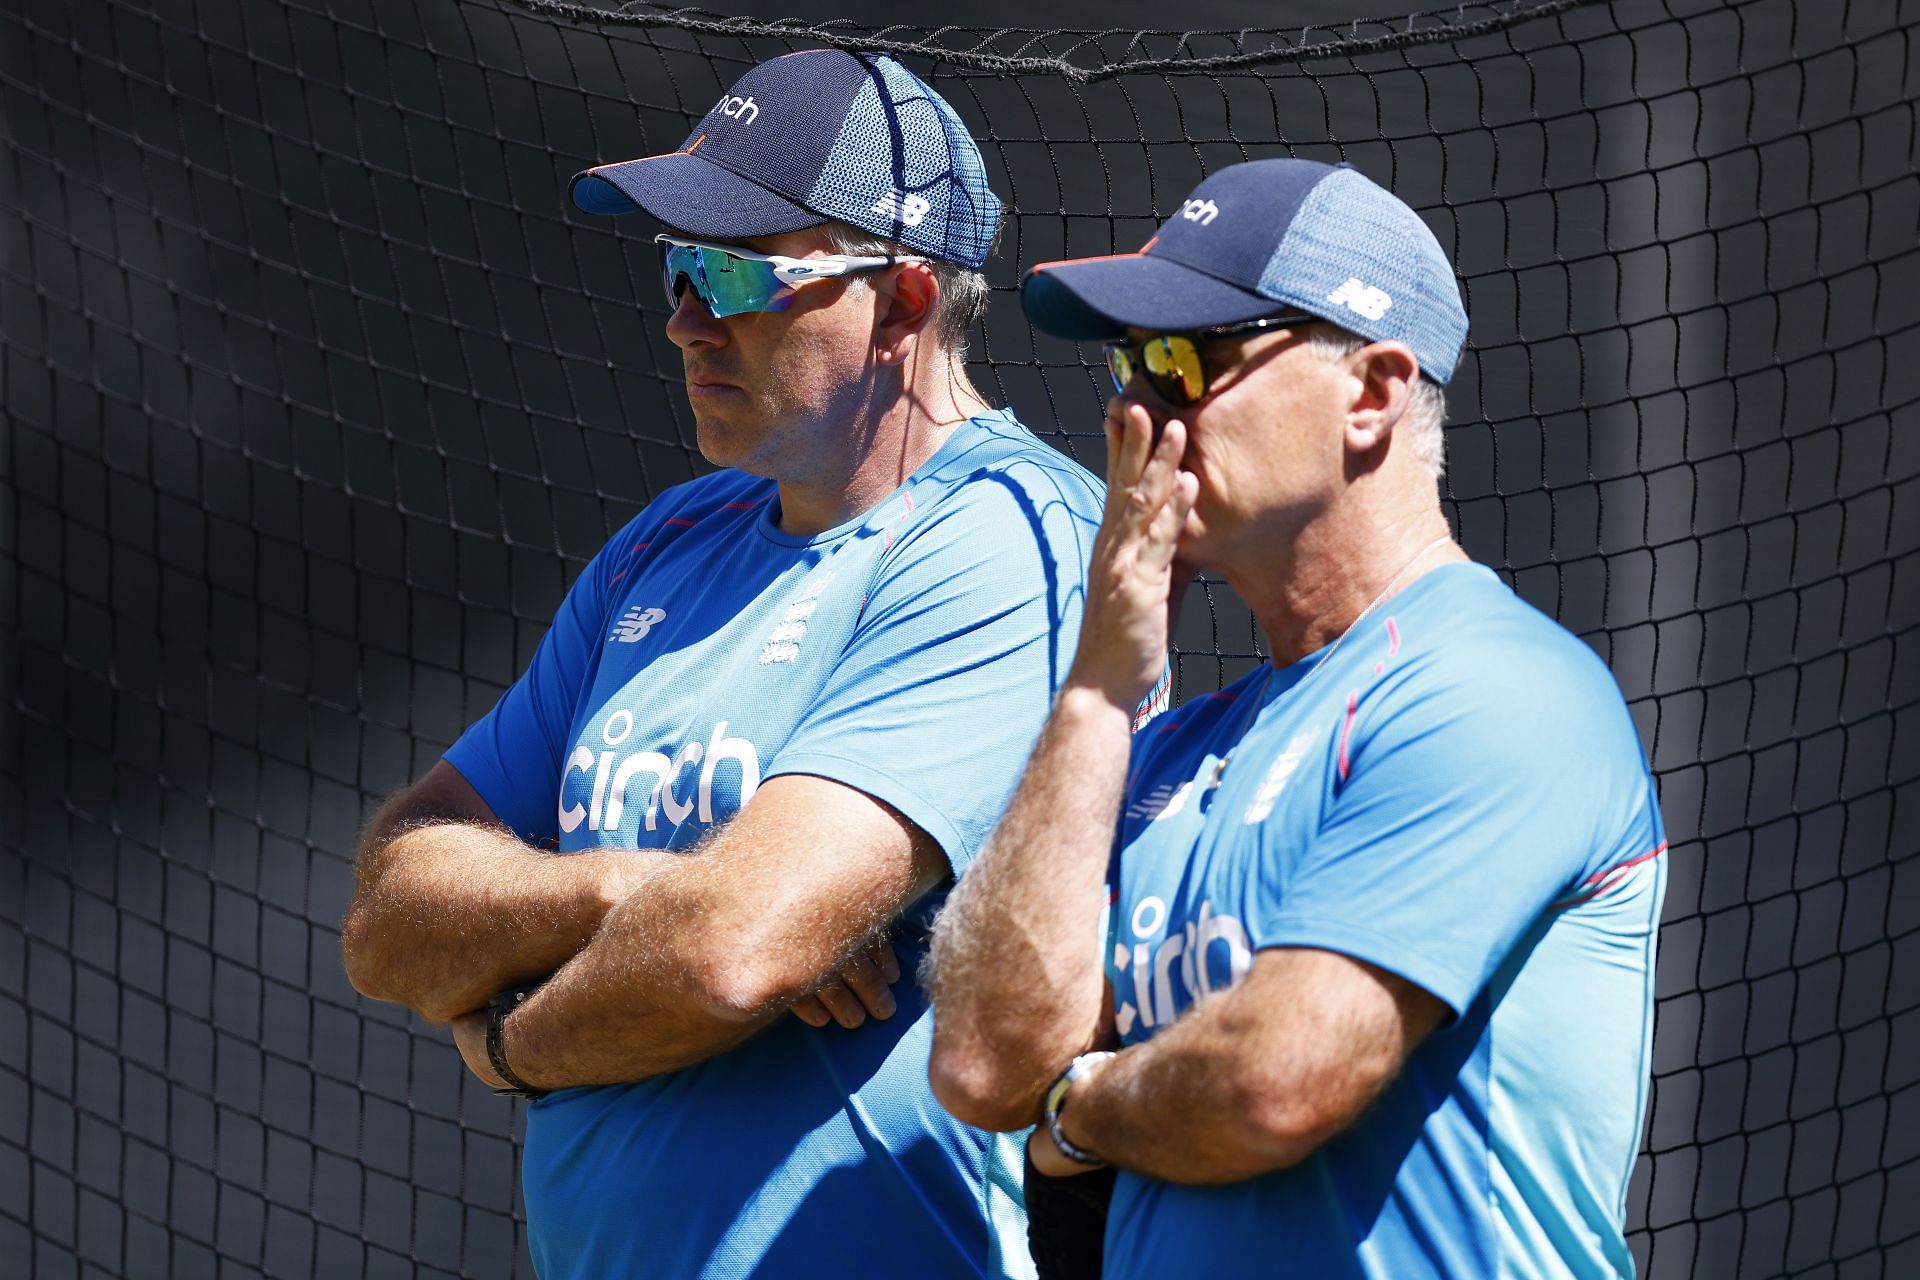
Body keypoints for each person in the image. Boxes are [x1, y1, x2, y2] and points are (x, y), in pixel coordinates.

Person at [342, 49, 1121, 1280]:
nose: (684, 317)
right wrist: (615, 889)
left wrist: (512, 1044)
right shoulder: (667, 540)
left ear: (905, 304)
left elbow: (734, 950)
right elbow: (390, 914)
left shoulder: (1009, 535)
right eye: (674, 267)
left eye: (733, 272)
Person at [928, 157, 1666, 1279]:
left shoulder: (1499, 686)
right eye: (1130, 365)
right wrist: (1093, 691)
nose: (1137, 409)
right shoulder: (1160, 745)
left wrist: (1085, 1104)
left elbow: (1277, 1078)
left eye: (1183, 361)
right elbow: (983, 1063)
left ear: (1370, 393)